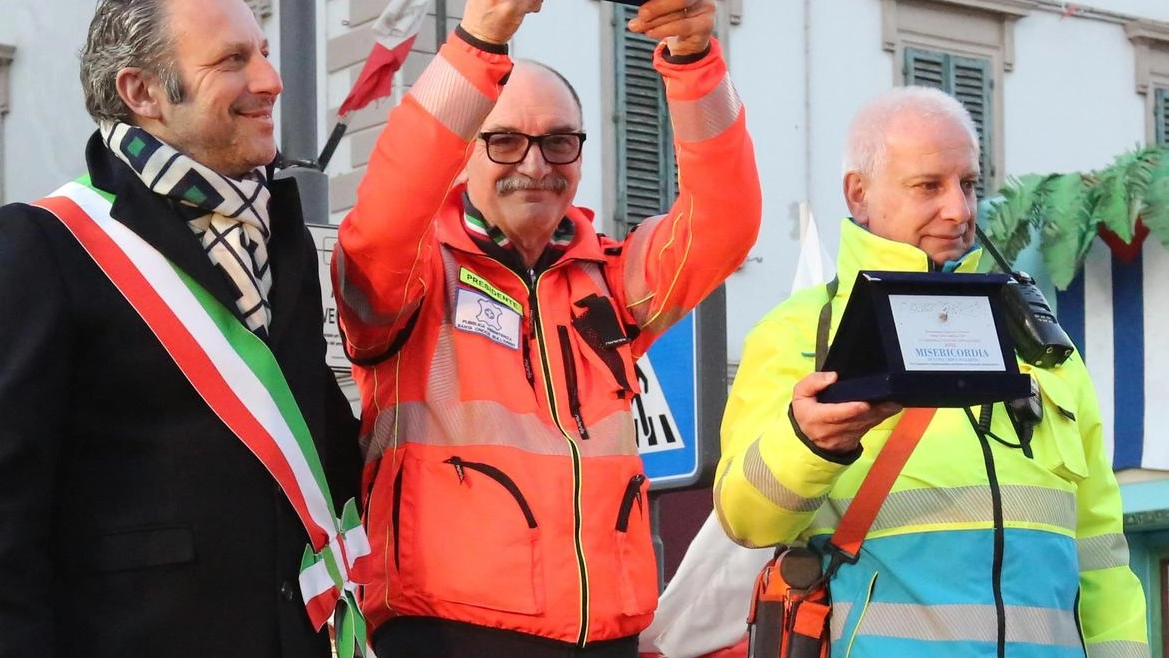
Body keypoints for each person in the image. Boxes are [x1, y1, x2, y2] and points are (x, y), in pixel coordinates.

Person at [331, 0, 761, 655]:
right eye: (504, 141)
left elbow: (726, 225)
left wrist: (694, 61)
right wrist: (481, 41)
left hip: (606, 633)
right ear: (464, 152)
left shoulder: (606, 282)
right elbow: (385, 217)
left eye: (559, 141)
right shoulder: (414, 279)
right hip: (449, 632)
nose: (535, 164)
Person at [714, 86, 1149, 657]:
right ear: (859, 193)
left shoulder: (1043, 344)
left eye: (968, 184)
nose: (960, 210)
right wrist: (808, 443)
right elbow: (746, 519)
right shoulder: (796, 333)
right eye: (928, 186)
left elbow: (1102, 554)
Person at [0, 0, 361, 656]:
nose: (269, 81)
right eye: (233, 60)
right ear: (141, 92)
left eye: (265, 53)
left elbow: (316, 440)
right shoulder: (43, 245)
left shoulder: (284, 240)